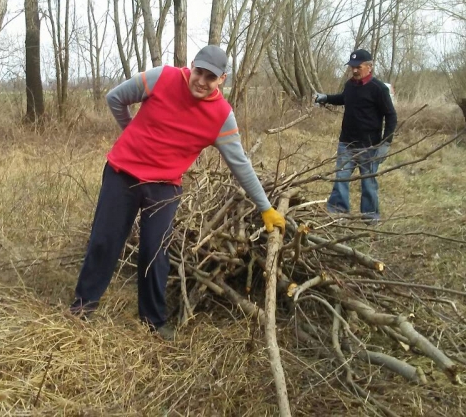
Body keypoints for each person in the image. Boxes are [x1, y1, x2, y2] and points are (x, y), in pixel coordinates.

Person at [70, 45, 285, 340]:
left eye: (211, 77)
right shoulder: (162, 77)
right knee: (105, 241)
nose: (201, 81)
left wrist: (265, 207)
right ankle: (82, 308)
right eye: (199, 72)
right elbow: (115, 98)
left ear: (222, 80)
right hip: (122, 174)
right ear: (191, 66)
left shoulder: (221, 116)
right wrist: (131, 130)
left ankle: (153, 321)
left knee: (155, 251)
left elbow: (241, 165)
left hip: (164, 186)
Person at [314, 48, 397, 223]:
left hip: (369, 145)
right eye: (352, 67)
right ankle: (338, 213)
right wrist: (326, 97)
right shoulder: (350, 85)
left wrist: (385, 144)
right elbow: (344, 98)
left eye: (358, 67)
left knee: (368, 183)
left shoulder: (379, 89)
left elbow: (391, 116)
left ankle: (370, 216)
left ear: (369, 67)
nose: (354, 70)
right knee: (341, 179)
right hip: (346, 143)